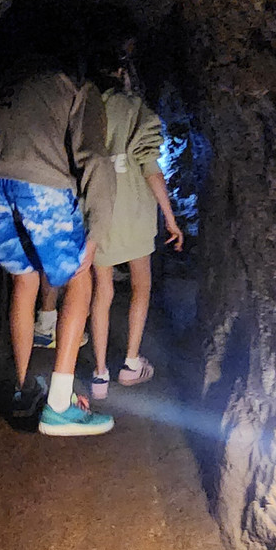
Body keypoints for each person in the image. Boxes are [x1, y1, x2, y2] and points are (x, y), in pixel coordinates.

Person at [0, 53, 116, 436]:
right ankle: (59, 405)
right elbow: (96, 157)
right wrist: (96, 232)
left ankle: (24, 389)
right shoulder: (77, 88)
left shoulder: (11, 79)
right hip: (39, 184)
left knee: (24, 279)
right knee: (79, 279)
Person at [89, 51, 183, 401]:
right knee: (141, 285)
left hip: (98, 207)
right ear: (120, 71)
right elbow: (150, 167)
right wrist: (171, 219)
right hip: (135, 209)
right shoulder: (136, 108)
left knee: (102, 290)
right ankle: (130, 363)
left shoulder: (87, 107)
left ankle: (99, 375)